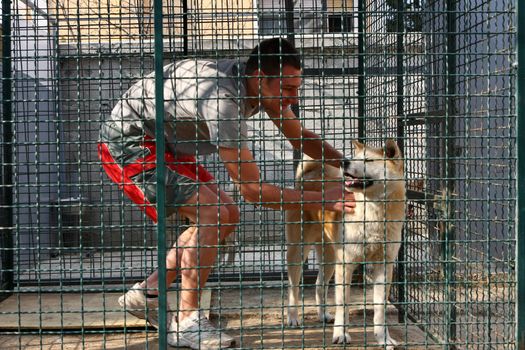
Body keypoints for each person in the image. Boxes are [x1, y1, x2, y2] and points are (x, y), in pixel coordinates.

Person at [98, 37, 355, 349]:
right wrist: (325, 198)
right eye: (288, 88)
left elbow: (299, 138)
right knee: (214, 213)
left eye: (296, 88)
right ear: (261, 79)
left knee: (227, 215)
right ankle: (188, 321)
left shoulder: (260, 90)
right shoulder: (223, 102)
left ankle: (148, 293)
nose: (293, 96)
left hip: (163, 141)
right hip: (131, 141)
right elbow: (253, 191)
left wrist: (349, 167)